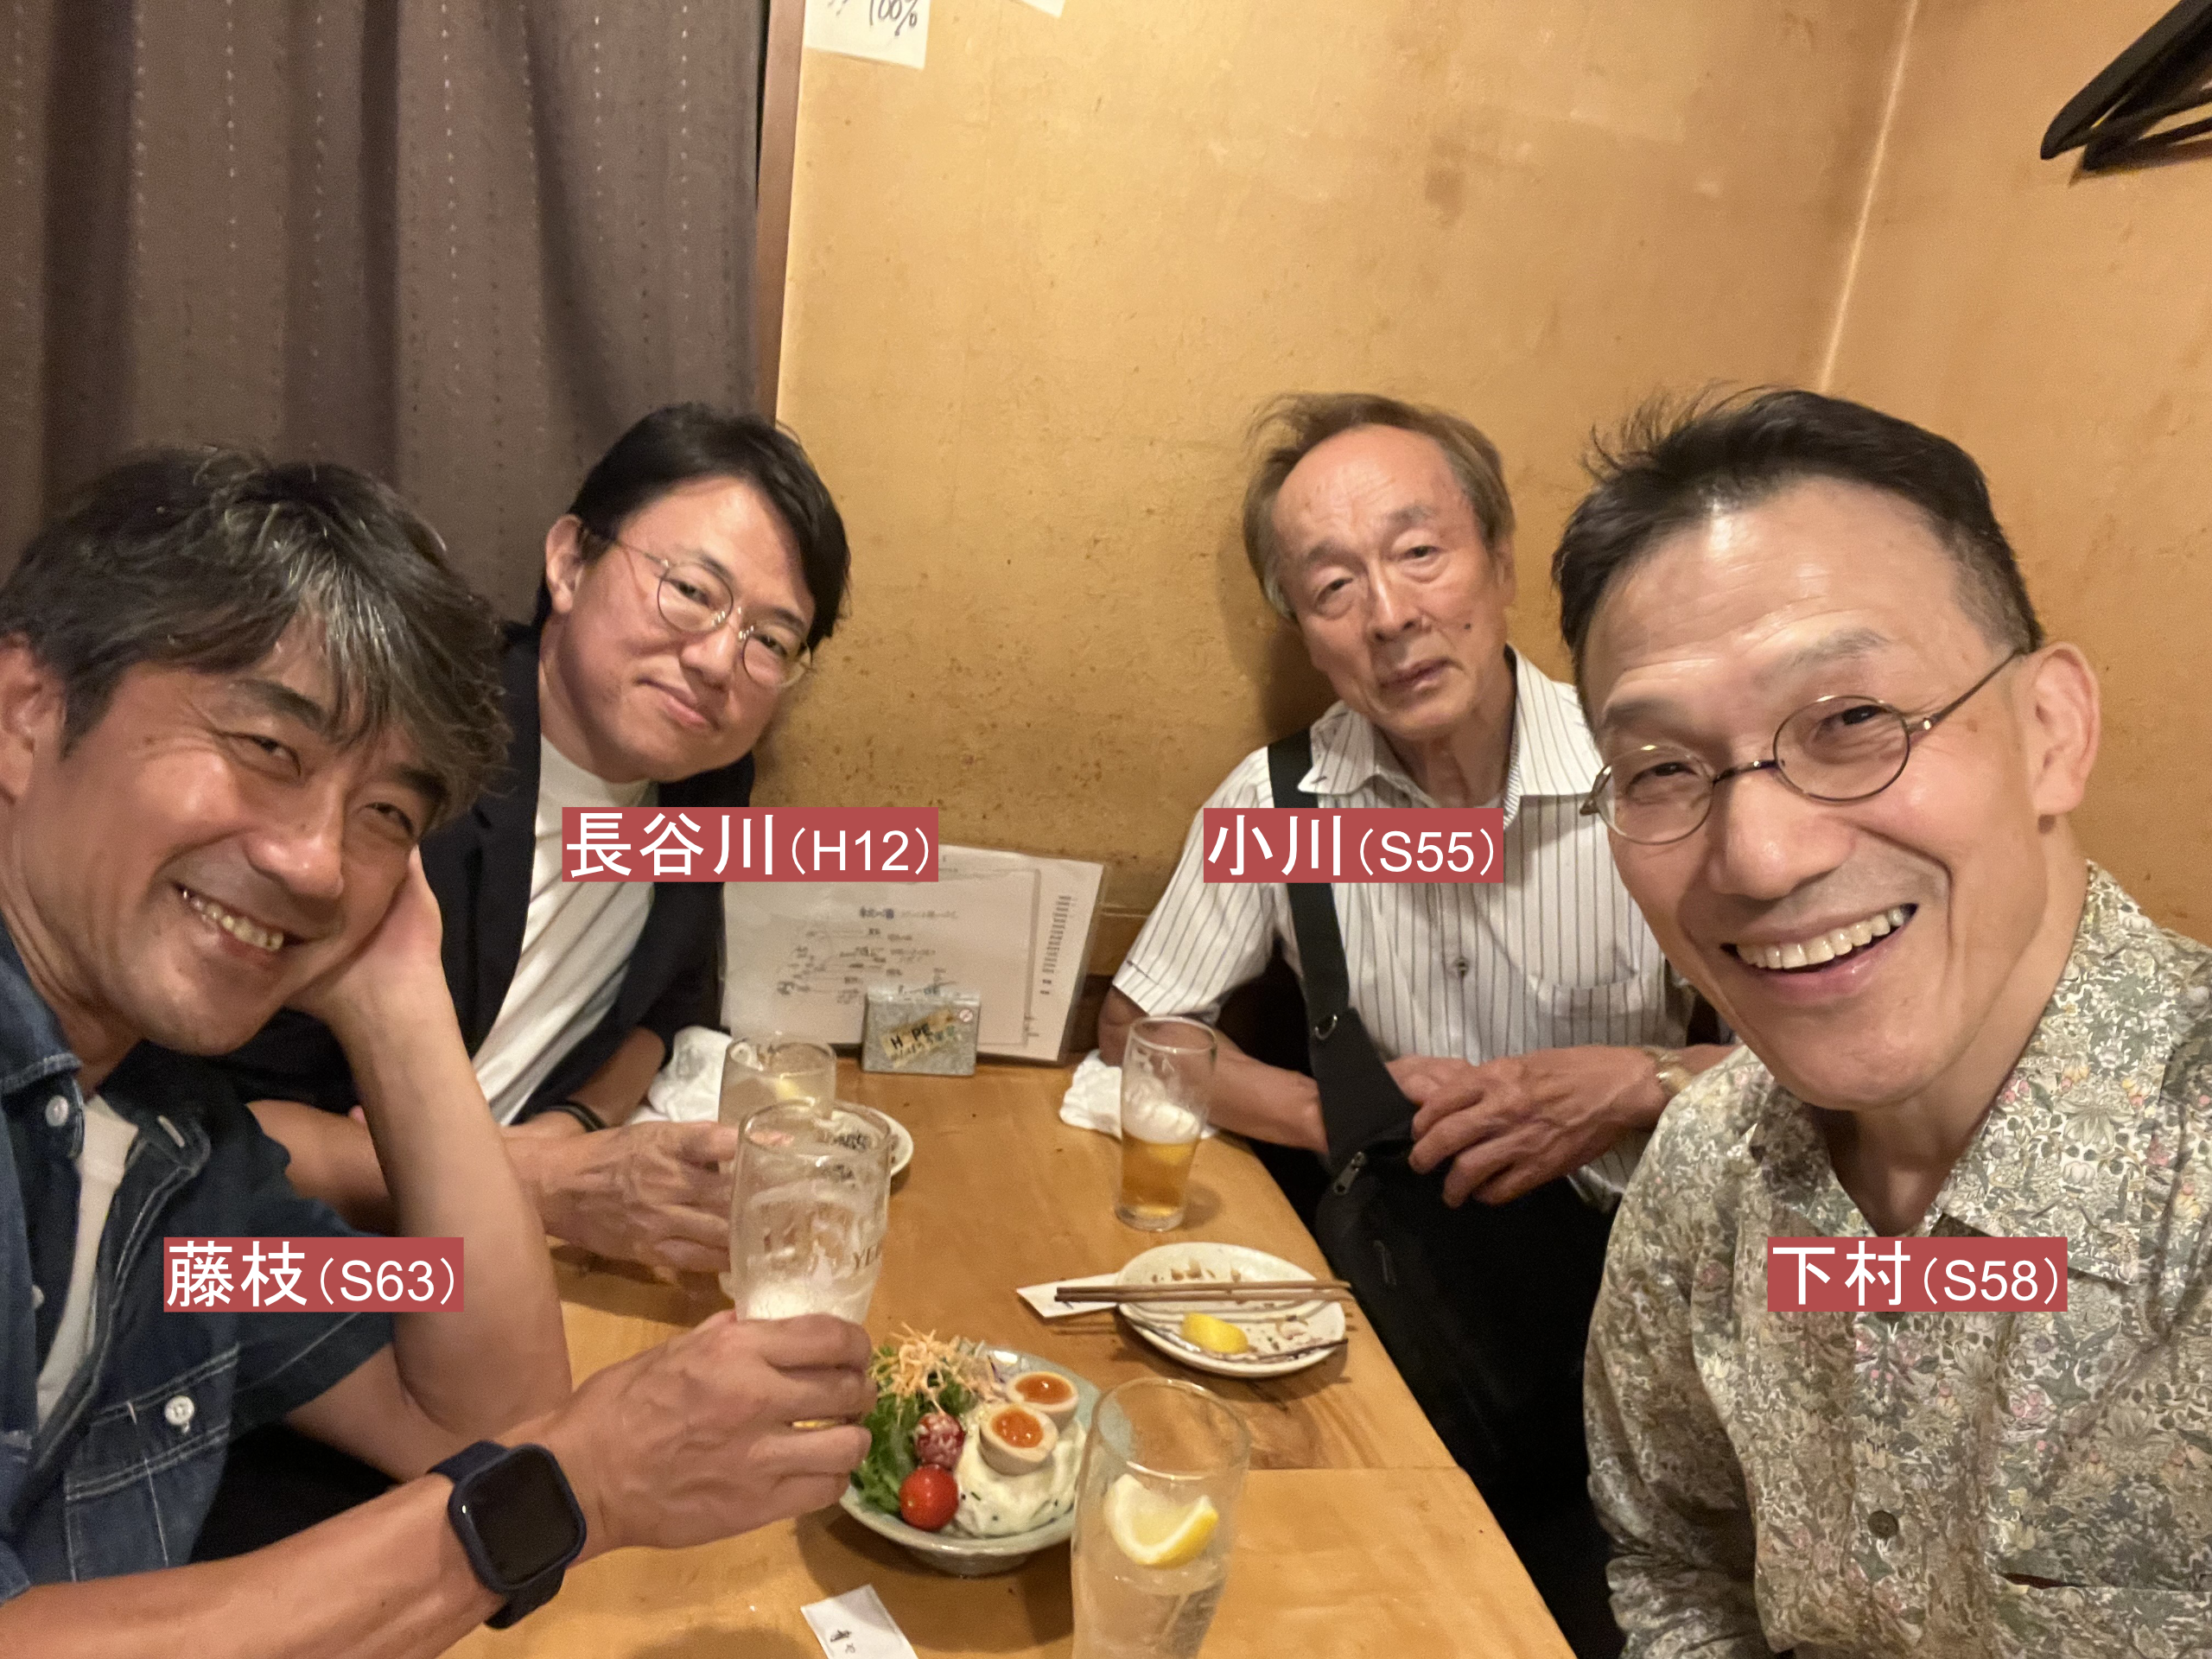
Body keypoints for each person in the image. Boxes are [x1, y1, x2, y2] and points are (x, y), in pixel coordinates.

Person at [0, 449, 873, 1652]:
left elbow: (488, 1416)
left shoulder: (187, 1179)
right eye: (268, 748)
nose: (316, 862)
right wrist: (573, 1480)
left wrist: (399, 996)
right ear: (28, 712)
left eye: (384, 814)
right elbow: (535, 1460)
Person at [1563, 389, 2212, 1657]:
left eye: (1852, 721)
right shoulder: (1706, 1171)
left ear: (2051, 730)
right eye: (1663, 769)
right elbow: (1674, 1556)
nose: (1759, 856)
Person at [1100, 392, 1729, 1656]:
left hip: (1666, 1334)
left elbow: (1830, 1073)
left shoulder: (1659, 774)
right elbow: (1135, 1030)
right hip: (1424, 1326)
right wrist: (1328, 1108)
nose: (1389, 615)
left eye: (1420, 552)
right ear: (1302, 626)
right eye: (1333, 586)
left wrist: (1642, 1081)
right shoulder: (1284, 803)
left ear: (1500, 560)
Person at [220, 404, 850, 1274]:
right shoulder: (406, 772)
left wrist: (574, 1129)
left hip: (502, 1259)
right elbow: (213, 1125)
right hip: (276, 1271)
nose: (716, 661)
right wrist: (542, 1179)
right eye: (693, 593)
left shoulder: (704, 783)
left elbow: (668, 1007)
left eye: (770, 640)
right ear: (570, 562)